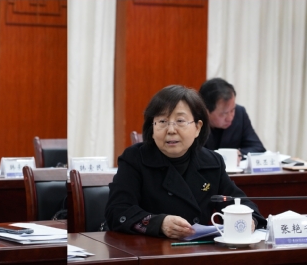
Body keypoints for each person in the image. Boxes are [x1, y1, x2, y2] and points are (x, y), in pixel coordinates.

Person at [105, 85, 265, 237]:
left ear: (197, 127)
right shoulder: (135, 158)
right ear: (152, 127)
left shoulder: (212, 162)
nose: (171, 130)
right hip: (146, 250)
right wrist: (159, 224)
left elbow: (238, 203)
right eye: (162, 121)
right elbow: (118, 211)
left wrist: (249, 220)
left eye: (180, 121)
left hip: (195, 251)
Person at [200, 78, 265, 156]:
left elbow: (258, 148)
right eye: (224, 113)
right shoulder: (194, 122)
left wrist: (237, 154)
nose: (230, 118)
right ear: (206, 111)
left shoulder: (240, 113)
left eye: (232, 110)